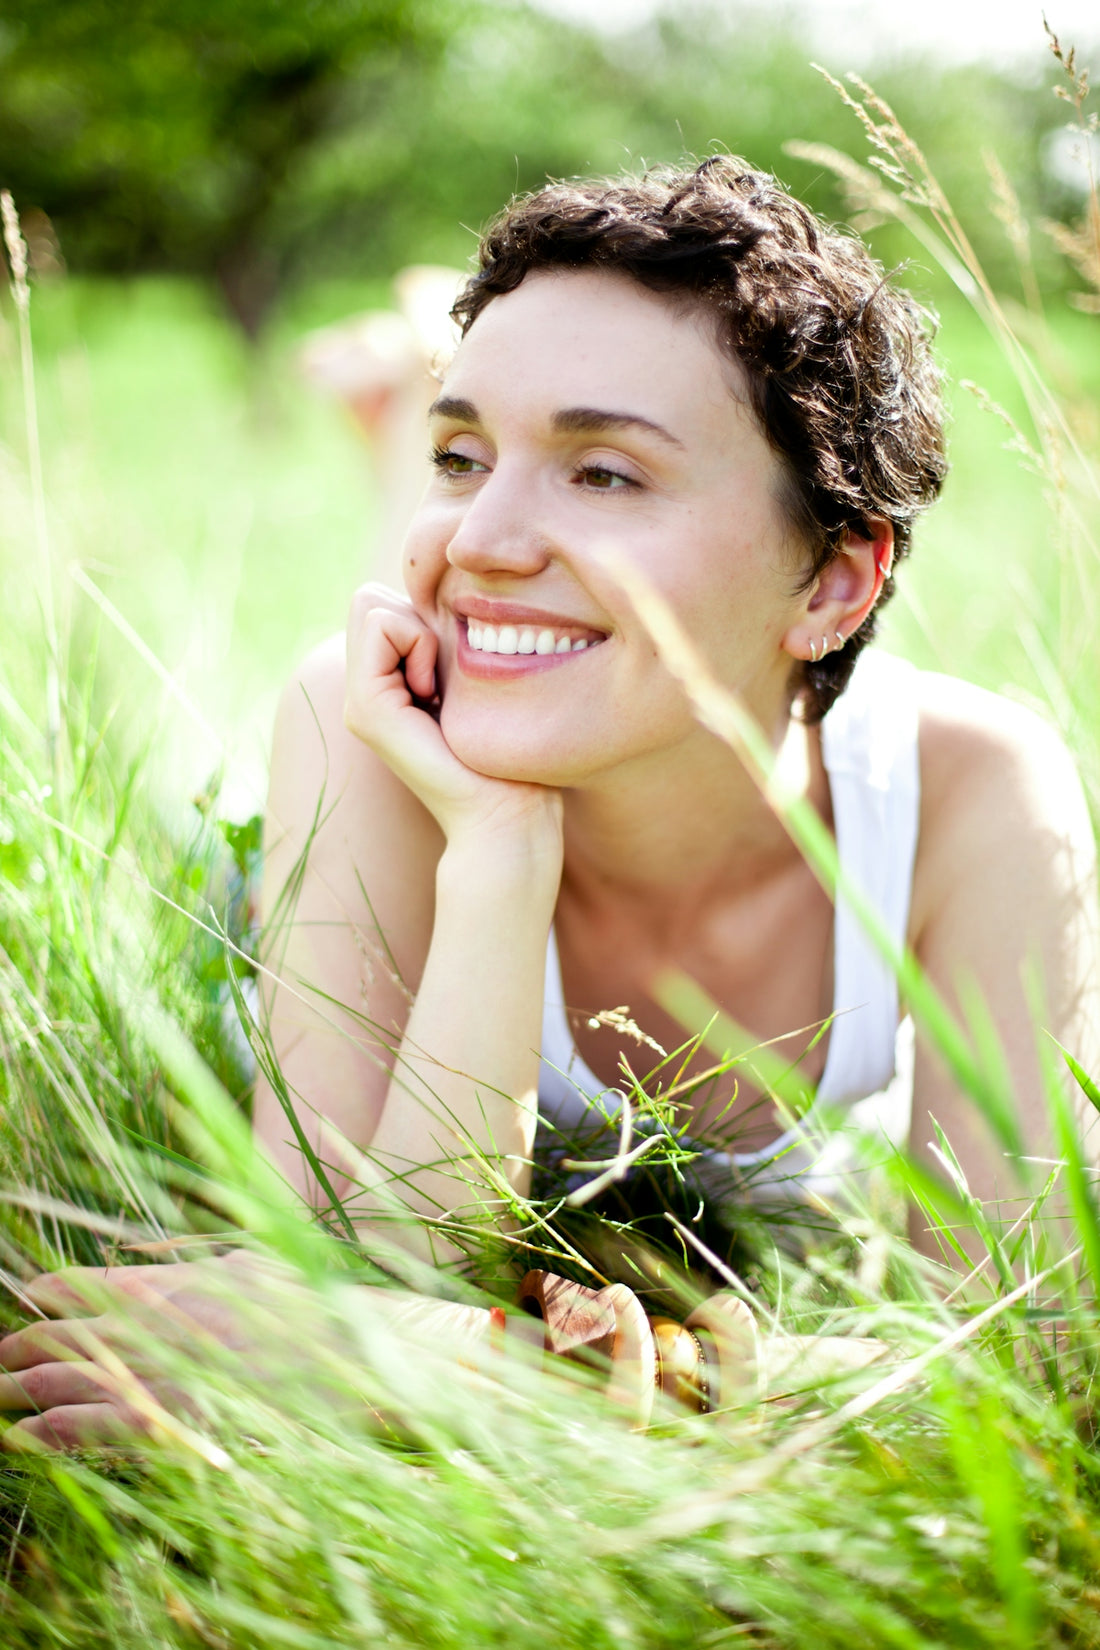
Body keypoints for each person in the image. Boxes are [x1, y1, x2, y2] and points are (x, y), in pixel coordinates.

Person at [3, 158, 1098, 1448]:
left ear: (835, 587)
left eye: (605, 474)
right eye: (460, 455)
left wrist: (506, 1368)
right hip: (253, 908)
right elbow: (358, 1281)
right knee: (203, 854)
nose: (481, 538)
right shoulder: (362, 734)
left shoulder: (971, 792)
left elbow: (1024, 1367)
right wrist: (498, 844)